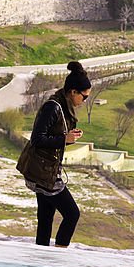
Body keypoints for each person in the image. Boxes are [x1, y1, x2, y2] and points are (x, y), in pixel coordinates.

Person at [27, 60, 88, 247]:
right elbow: (37, 139)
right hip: (44, 172)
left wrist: (68, 138)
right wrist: (65, 139)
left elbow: (52, 137)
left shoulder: (63, 107)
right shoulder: (53, 107)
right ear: (73, 92)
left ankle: (41, 261)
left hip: (45, 170)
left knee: (45, 218)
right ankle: (60, 254)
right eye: (84, 97)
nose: (84, 101)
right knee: (72, 214)